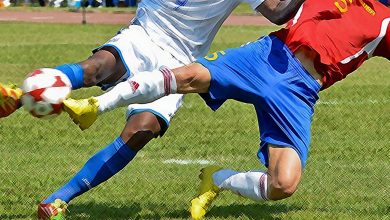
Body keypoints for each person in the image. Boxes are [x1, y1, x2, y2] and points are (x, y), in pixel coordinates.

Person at [62, 0, 390, 219]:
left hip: (299, 92)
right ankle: (94, 104)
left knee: (283, 185)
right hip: (270, 56)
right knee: (188, 76)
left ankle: (217, 180)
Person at [0, 0, 306, 219]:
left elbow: (277, 12)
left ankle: (56, 201)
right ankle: (23, 93)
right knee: (96, 69)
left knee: (140, 131)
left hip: (180, 60)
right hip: (144, 35)